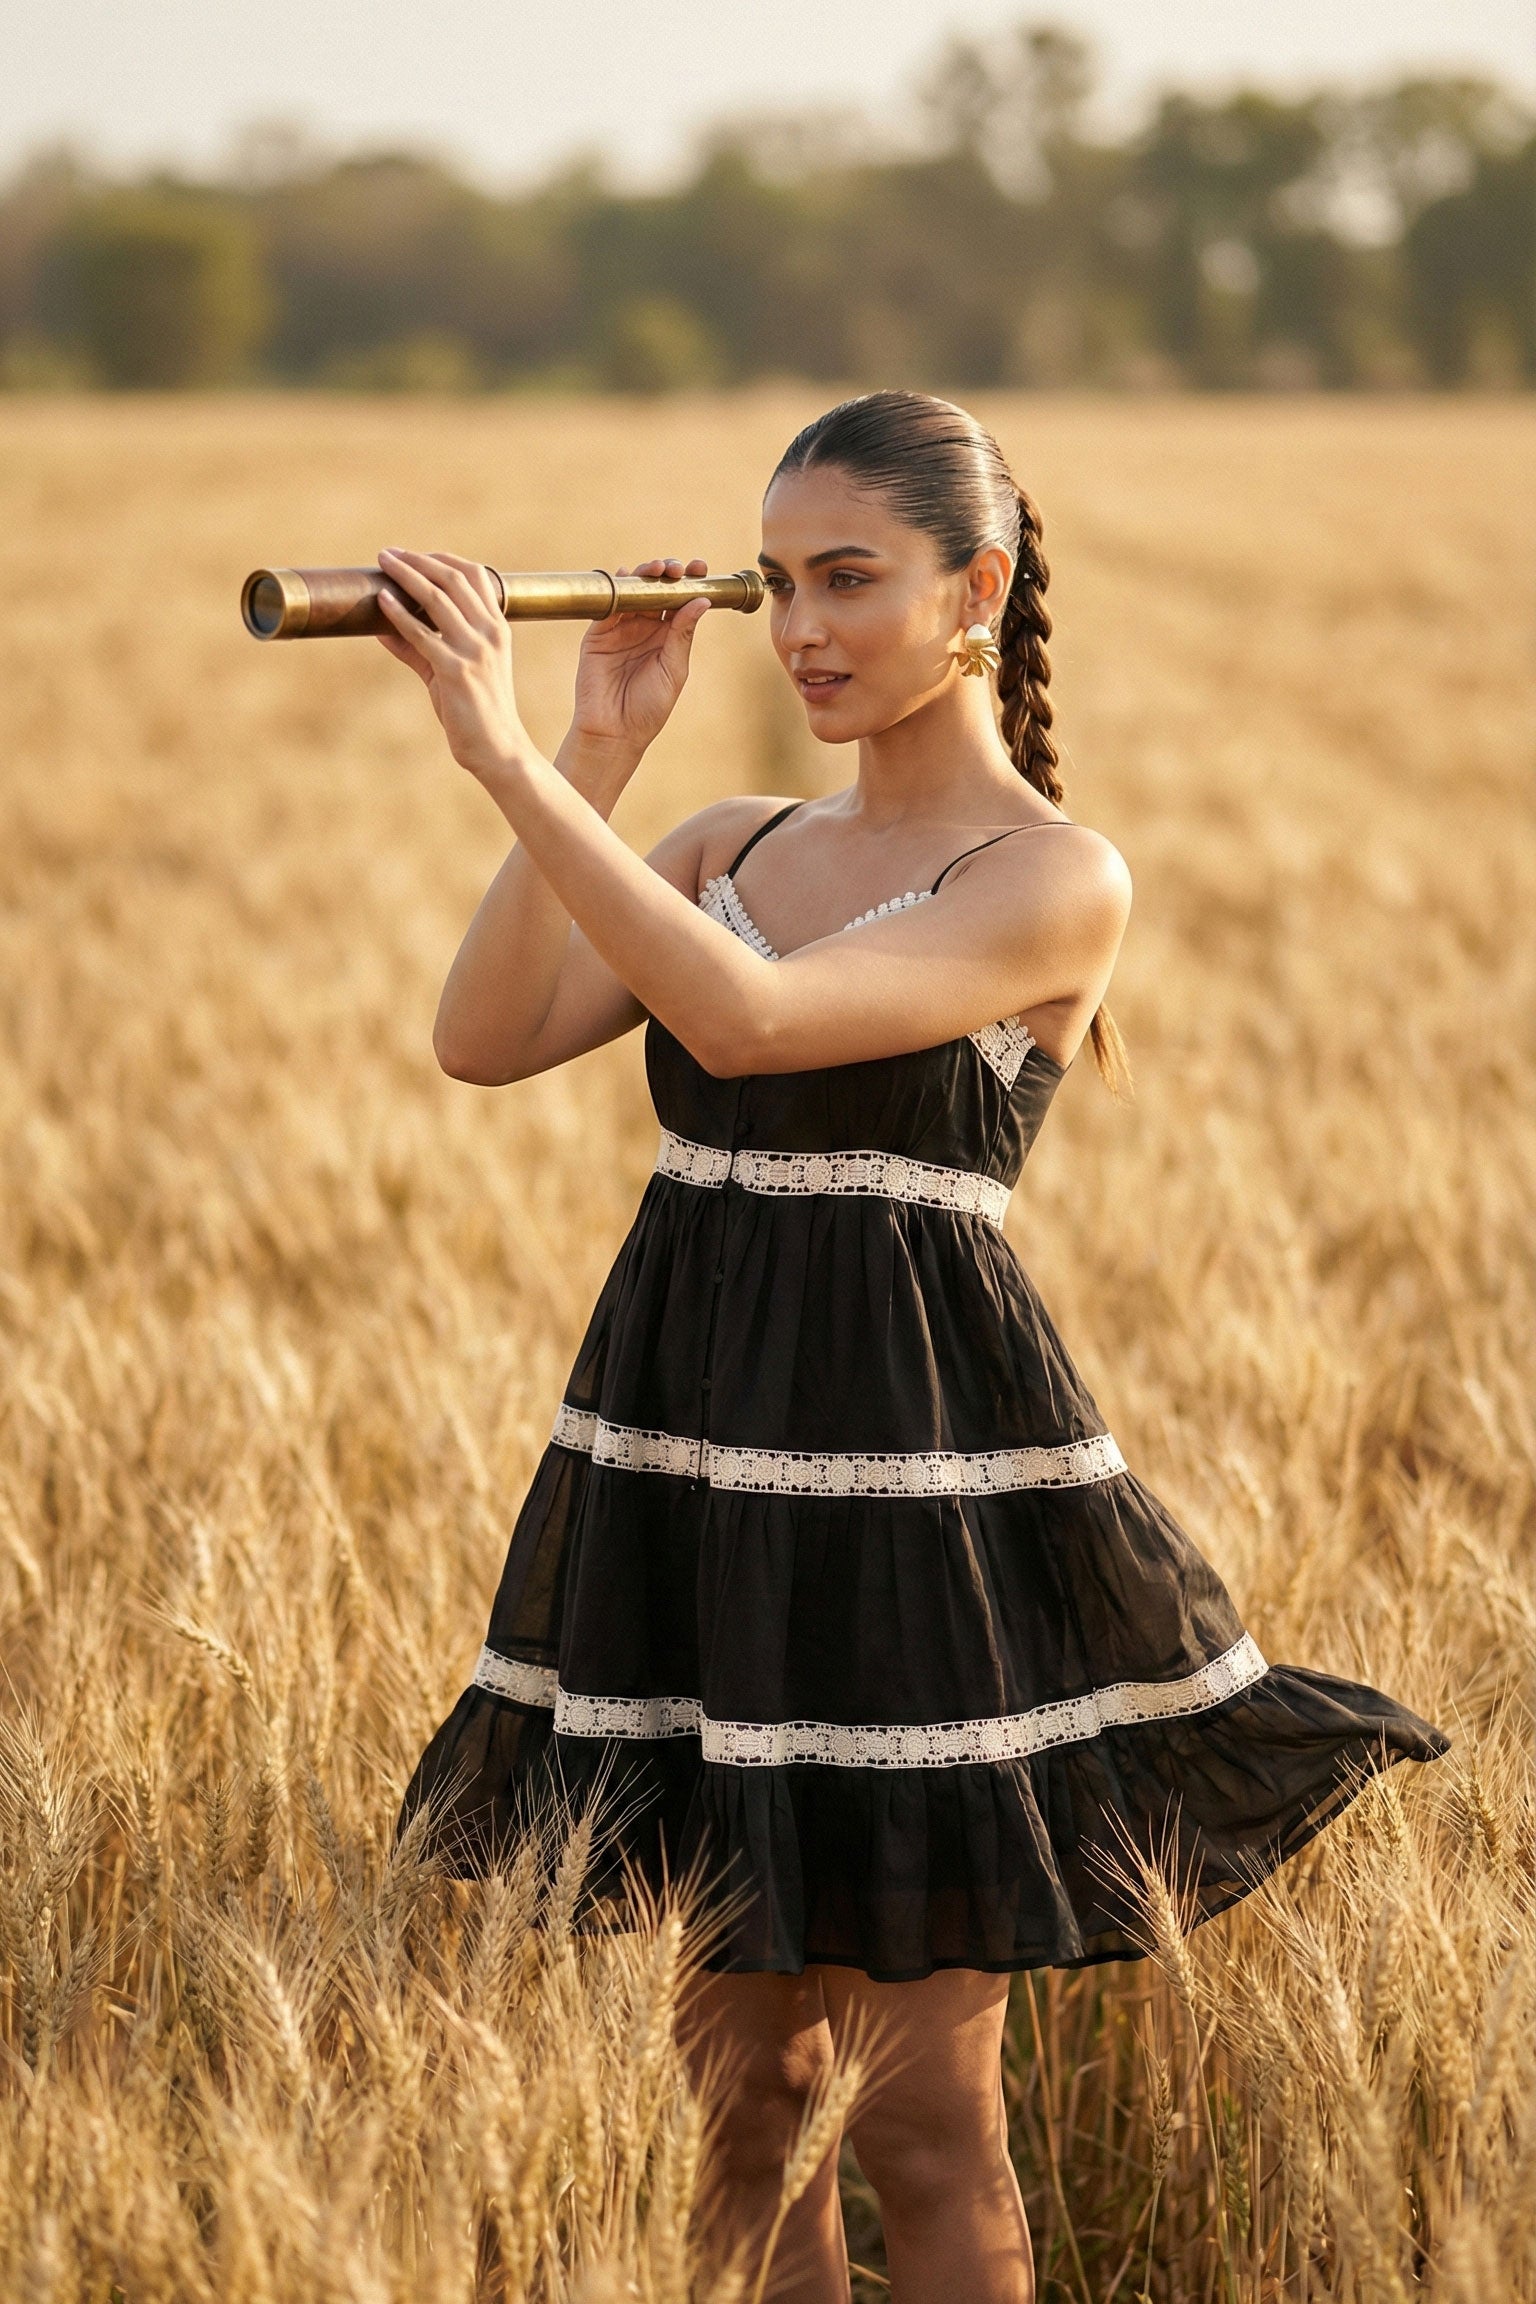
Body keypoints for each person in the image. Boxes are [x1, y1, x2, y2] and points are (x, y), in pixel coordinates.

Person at [384, 392, 1445, 2304]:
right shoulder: (726, 836)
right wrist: (594, 751)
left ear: (982, 586)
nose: (799, 628)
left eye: (848, 579)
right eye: (778, 582)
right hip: (696, 1478)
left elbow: (760, 1023)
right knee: (736, 2106)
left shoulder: (1048, 876)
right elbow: (485, 1035)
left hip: (906, 1516)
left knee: (925, 2127)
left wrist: (486, 758)